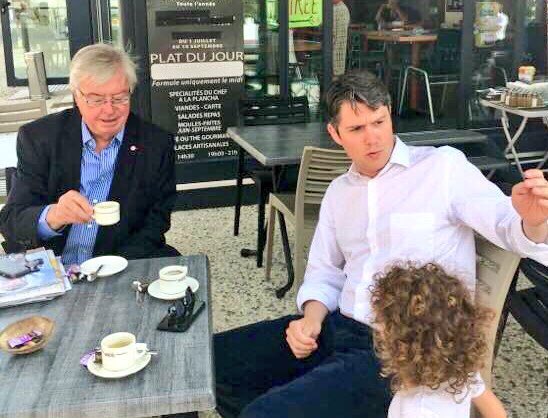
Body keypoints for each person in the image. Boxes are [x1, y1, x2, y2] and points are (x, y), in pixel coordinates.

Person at [213, 70, 548, 418]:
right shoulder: (339, 193)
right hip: (338, 327)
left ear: (390, 116)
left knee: (264, 414)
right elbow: (324, 271)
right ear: (335, 134)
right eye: (357, 129)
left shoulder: (442, 168)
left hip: (403, 350)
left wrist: (533, 220)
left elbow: (506, 224)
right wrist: (310, 319)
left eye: (379, 122)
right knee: (212, 361)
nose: (372, 138)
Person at [0, 43, 178, 264]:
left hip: (120, 261)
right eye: (96, 99)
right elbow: (12, 220)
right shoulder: (39, 138)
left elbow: (156, 222)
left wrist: (110, 267)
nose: (109, 110)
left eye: (119, 98)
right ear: (77, 95)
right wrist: (54, 215)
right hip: (53, 264)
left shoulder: (155, 144)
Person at [370, 263, 507, 418]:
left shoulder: (417, 411)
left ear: (403, 347)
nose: (377, 327)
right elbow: (497, 413)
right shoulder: (462, 373)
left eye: (383, 325)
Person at [332, 0, 350, 76]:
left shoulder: (341, 9)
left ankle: (336, 75)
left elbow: (339, 38)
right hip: (332, 46)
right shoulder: (334, 8)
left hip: (336, 47)